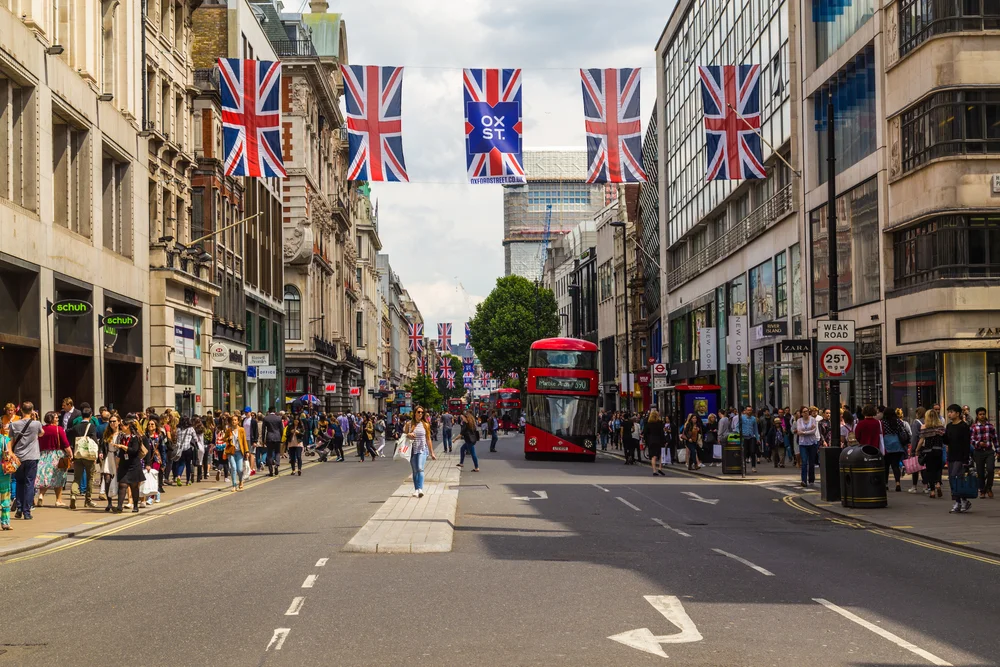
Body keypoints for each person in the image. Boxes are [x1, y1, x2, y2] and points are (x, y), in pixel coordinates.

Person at [9, 403, 43, 520]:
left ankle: (19, 508)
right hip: (32, 457)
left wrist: (11, 454)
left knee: (19, 483)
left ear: (21, 411)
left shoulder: (14, 424)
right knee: (29, 484)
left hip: (18, 458)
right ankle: (27, 511)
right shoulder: (36, 424)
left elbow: (11, 440)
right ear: (32, 410)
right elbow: (41, 433)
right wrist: (35, 419)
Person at [35, 411, 73, 508]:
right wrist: (70, 454)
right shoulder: (58, 429)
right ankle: (58, 500)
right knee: (59, 478)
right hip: (57, 456)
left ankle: (41, 495)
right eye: (56, 418)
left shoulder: (41, 429)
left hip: (43, 455)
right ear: (51, 419)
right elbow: (65, 444)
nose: (58, 419)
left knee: (45, 477)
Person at [67, 406, 99, 510]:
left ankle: (73, 495)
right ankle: (88, 500)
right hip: (88, 455)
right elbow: (94, 440)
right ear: (90, 415)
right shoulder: (92, 426)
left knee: (77, 478)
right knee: (90, 477)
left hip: (78, 454)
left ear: (81, 415)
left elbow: (67, 432)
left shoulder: (76, 426)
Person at [945, 403, 973, 513]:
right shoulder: (949, 426)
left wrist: (966, 458)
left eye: (951, 412)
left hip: (960, 457)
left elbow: (966, 443)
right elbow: (947, 441)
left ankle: (959, 501)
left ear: (957, 414)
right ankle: (961, 501)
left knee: (955, 477)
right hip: (951, 455)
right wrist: (942, 435)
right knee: (952, 480)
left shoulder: (963, 426)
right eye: (948, 412)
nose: (949, 414)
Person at [113, 417, 144, 513]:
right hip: (124, 464)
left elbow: (134, 451)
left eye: (123, 425)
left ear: (128, 427)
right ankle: (119, 506)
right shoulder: (122, 437)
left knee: (134, 486)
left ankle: (135, 505)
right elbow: (120, 453)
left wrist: (123, 446)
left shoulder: (136, 438)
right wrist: (117, 464)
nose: (121, 426)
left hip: (134, 465)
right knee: (122, 485)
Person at [404, 406, 436, 497]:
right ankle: (416, 489)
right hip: (412, 450)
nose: (420, 414)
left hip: (422, 449)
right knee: (414, 471)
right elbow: (404, 435)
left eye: (422, 412)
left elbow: (428, 439)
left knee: (420, 468)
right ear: (414, 413)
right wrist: (408, 434)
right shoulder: (409, 424)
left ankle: (420, 489)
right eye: (418, 412)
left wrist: (432, 452)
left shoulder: (425, 425)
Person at [916, 409, 945, 499]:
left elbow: (921, 441)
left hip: (928, 451)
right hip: (938, 450)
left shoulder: (924, 427)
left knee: (930, 470)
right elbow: (944, 438)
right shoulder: (940, 427)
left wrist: (917, 450)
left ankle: (932, 491)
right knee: (938, 469)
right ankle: (938, 484)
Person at [970, 407, 998, 499]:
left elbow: (995, 439)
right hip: (978, 452)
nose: (982, 416)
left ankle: (988, 488)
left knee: (990, 469)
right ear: (977, 416)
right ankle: (982, 490)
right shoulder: (974, 427)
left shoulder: (990, 426)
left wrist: (998, 450)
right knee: (980, 472)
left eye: (983, 414)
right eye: (980, 414)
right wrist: (979, 443)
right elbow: (971, 440)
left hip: (989, 451)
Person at [881, 404, 909, 492]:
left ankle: (885, 484)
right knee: (895, 465)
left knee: (886, 465)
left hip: (886, 444)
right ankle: (897, 483)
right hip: (897, 444)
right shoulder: (898, 421)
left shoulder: (883, 422)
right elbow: (902, 430)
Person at [794, 405, 820, 487]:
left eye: (807, 411)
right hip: (803, 444)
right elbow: (798, 431)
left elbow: (813, 431)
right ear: (801, 413)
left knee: (811, 462)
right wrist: (808, 430)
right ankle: (804, 480)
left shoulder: (812, 419)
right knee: (804, 462)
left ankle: (811, 479)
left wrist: (804, 432)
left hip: (812, 443)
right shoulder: (799, 421)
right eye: (804, 412)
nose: (806, 413)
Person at [225, 414, 249, 490]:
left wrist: (247, 451)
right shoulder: (229, 430)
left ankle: (241, 481)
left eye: (235, 420)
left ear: (238, 421)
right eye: (232, 420)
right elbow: (224, 439)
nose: (234, 421)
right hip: (231, 452)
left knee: (240, 469)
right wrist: (229, 438)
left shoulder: (241, 430)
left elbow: (244, 441)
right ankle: (234, 485)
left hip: (239, 452)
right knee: (233, 468)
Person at [908, 407, 928, 493]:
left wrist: (913, 449)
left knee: (915, 467)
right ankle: (925, 486)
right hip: (926, 447)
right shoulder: (928, 422)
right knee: (924, 467)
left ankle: (914, 486)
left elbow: (914, 437)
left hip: (918, 446)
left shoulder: (916, 422)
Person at [262, 408, 284, 476]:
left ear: (269, 411)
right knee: (277, 452)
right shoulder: (278, 418)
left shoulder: (266, 418)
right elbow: (281, 429)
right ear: (275, 411)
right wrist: (281, 437)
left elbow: (263, 430)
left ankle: (270, 468)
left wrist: (263, 439)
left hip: (269, 437)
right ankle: (277, 464)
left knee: (269, 453)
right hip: (277, 437)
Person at [644, 409, 666, 476]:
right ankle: (660, 468)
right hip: (659, 440)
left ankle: (654, 470)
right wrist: (664, 441)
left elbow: (645, 433)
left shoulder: (648, 424)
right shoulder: (660, 423)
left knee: (653, 456)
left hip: (651, 441)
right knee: (661, 455)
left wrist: (646, 441)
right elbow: (662, 433)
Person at [739, 406, 760, 473]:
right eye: (748, 410)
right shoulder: (742, 418)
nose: (749, 411)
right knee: (744, 453)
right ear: (745, 411)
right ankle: (743, 467)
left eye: (750, 410)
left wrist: (758, 438)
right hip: (744, 437)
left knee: (752, 452)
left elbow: (755, 430)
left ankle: (753, 467)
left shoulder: (754, 419)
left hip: (751, 437)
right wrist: (739, 434)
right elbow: (737, 427)